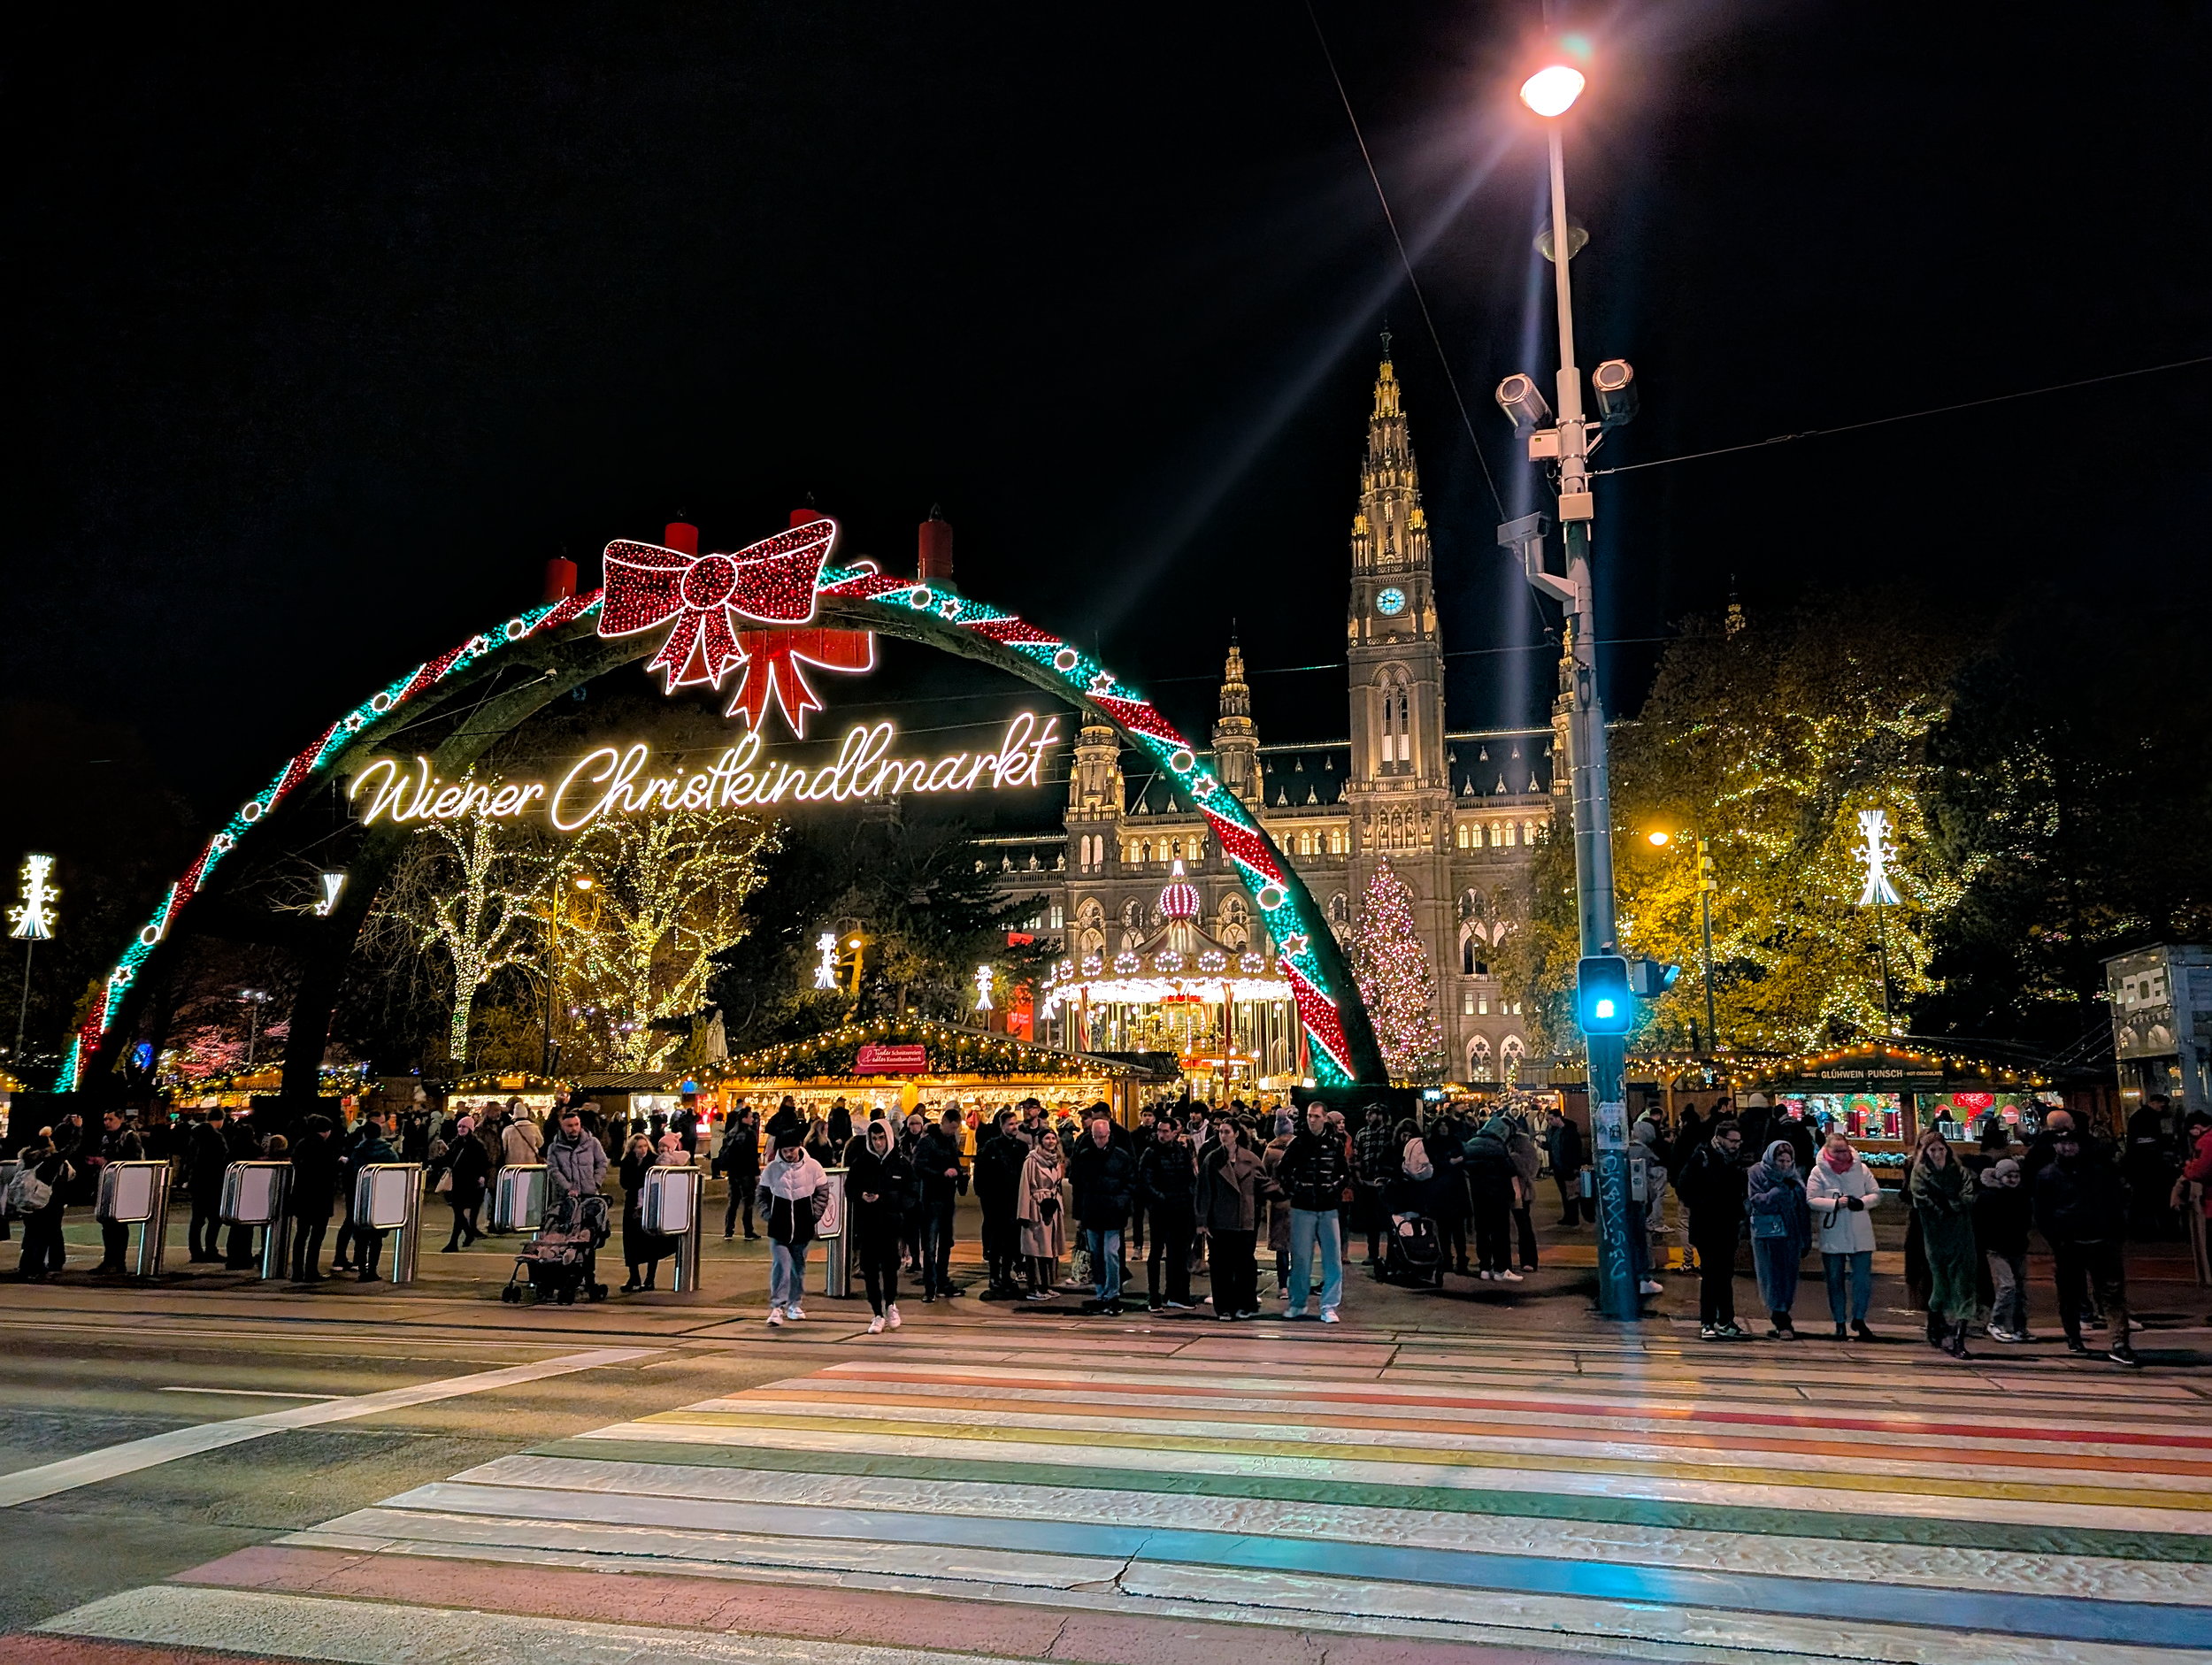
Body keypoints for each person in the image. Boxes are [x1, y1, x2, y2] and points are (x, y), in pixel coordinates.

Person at [2034, 1122, 2137, 1366]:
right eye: (2062, 1143)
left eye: (2071, 1143)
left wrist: (2116, 1232)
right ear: (2055, 1146)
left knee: (2112, 1293)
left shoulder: (2099, 1171)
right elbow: (2041, 1213)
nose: (2067, 1147)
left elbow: (2115, 1201)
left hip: (2102, 1240)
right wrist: (2056, 1240)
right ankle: (2073, 1335)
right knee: (2070, 1294)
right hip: (2069, 1243)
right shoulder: (2047, 1175)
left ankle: (2119, 1342)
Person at [1676, 1117, 1747, 1339]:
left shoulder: (1734, 1160)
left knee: (1724, 1275)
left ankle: (1725, 1320)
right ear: (1720, 1138)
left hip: (1727, 1225)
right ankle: (1708, 1321)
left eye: (1738, 1141)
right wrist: (1705, 1202)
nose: (1736, 1145)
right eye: (1733, 1140)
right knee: (1711, 1275)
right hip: (1708, 1225)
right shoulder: (1703, 1157)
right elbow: (1684, 1187)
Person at [1806, 1130, 1882, 1340]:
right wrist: (1834, 1204)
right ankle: (1839, 1321)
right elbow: (1811, 1199)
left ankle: (1859, 1318)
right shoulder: (1818, 1172)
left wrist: (1863, 1202)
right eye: (1837, 1151)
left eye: (1844, 1150)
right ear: (1828, 1151)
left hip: (1860, 1232)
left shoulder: (1862, 1169)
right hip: (1834, 1232)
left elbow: (1876, 1194)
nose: (1842, 1155)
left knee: (1862, 1280)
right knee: (1834, 1280)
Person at [1276, 1103, 1348, 1323]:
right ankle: (1299, 1303)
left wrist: (1333, 1188)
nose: (1311, 1120)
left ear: (1324, 1118)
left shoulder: (1334, 1144)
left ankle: (1328, 1305)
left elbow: (1344, 1173)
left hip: (1326, 1206)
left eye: (1315, 1116)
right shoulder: (1299, 1143)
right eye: (1309, 1116)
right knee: (1301, 1258)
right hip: (1305, 1206)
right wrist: (1298, 1188)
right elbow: (1283, 1170)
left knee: (1332, 1259)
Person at [1909, 1130, 1978, 1358]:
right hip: (1936, 1236)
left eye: (1941, 1149)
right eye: (1933, 1150)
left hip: (1961, 1235)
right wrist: (1944, 1207)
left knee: (1964, 1284)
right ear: (1926, 1153)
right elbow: (1921, 1201)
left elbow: (1969, 1196)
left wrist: (1953, 1205)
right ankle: (1934, 1320)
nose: (1938, 1153)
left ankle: (1959, 1338)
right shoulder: (1920, 1173)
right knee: (1941, 1284)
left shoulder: (1959, 1171)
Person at [1067, 1107, 1137, 1315]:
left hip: (1113, 1213)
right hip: (1093, 1211)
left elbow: (1131, 1183)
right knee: (1097, 1255)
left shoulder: (1121, 1157)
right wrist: (1078, 1214)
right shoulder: (1086, 1155)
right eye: (1096, 1137)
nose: (1099, 1141)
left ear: (1108, 1135)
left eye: (1102, 1137)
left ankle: (1113, 1293)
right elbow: (1078, 1187)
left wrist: (1121, 1203)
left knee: (1110, 1253)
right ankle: (1101, 1292)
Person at [1196, 1113, 1263, 1320]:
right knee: (1220, 1265)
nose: (1223, 1136)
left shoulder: (1250, 1159)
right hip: (1221, 1219)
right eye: (1220, 1132)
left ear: (1236, 1134)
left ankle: (1245, 1303)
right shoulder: (1213, 1159)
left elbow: (1261, 1186)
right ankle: (1224, 1306)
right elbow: (1204, 1190)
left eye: (1227, 1132)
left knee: (1244, 1264)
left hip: (1244, 1219)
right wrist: (1202, 1221)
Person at [757, 1132, 829, 1326]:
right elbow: (762, 1195)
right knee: (782, 1265)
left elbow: (823, 1192)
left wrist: (814, 1215)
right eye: (785, 1151)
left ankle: (794, 1303)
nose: (789, 1154)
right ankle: (777, 1307)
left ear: (799, 1147)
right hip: (779, 1227)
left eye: (792, 1149)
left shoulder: (813, 1167)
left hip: (802, 1226)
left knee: (798, 1267)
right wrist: (768, 1215)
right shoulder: (772, 1169)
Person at [847, 1117, 911, 1332]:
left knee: (891, 1267)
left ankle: (891, 1304)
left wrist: (886, 1199)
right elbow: (849, 1189)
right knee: (870, 1269)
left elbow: (910, 1194)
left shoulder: (900, 1163)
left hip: (891, 1224)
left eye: (881, 1138)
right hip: (868, 1224)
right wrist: (861, 1196)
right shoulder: (861, 1163)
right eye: (874, 1138)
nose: (878, 1143)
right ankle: (876, 1313)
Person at [1746, 1139, 1809, 1338]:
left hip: (1790, 1234)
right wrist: (1778, 1192)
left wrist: (1805, 1237)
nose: (1784, 1166)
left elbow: (1802, 1208)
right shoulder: (1757, 1173)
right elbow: (1757, 1202)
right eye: (1780, 1161)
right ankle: (1780, 1318)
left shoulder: (1793, 1177)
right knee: (1771, 1274)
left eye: (1787, 1162)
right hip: (1768, 1234)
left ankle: (1783, 1313)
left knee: (1788, 1276)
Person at [1136, 1110, 1196, 1311]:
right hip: (1161, 1210)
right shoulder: (1151, 1152)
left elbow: (1189, 1178)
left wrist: (1187, 1197)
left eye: (1165, 1131)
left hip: (1180, 1209)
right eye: (1159, 1131)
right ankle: (1154, 1296)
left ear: (1174, 1133)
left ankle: (1176, 1293)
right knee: (1156, 1252)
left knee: (1178, 1253)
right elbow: (1145, 1181)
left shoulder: (1181, 1151)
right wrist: (1161, 1199)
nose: (1161, 1135)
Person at [1977, 1155, 2035, 1342]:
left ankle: (2019, 1327)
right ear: (2000, 1177)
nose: (2013, 1179)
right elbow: (1982, 1223)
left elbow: (2026, 1220)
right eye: (2009, 1176)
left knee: (2020, 1289)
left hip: (2017, 1247)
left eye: (2016, 1175)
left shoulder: (2022, 1195)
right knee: (2008, 1285)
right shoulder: (1989, 1197)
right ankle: (1997, 1322)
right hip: (1997, 1248)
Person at [974, 1109, 1029, 1298]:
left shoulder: (1021, 1148)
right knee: (996, 1242)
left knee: (1012, 1242)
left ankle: (1006, 1275)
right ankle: (994, 1276)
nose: (1014, 1127)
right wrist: (985, 1198)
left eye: (1015, 1124)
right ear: (1002, 1126)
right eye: (1010, 1124)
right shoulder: (991, 1147)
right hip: (996, 1202)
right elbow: (981, 1175)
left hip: (1015, 1201)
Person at [915, 1108, 967, 1301]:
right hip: (931, 1198)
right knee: (930, 1246)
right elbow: (919, 1167)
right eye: (951, 1127)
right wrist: (942, 1173)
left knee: (945, 1243)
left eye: (955, 1128)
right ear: (943, 1122)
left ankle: (942, 1281)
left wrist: (960, 1175)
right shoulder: (927, 1142)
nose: (953, 1131)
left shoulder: (950, 1141)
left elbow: (954, 1163)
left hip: (946, 1198)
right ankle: (931, 1286)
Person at [1464, 1114, 1518, 1282]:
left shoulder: (1470, 1144)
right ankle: (1501, 1269)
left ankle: (1484, 1268)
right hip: (1498, 1194)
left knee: (1482, 1231)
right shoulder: (1497, 1146)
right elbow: (1510, 1169)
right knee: (1500, 1232)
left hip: (1478, 1193)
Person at [618, 1132, 674, 1292]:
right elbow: (625, 1183)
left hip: (649, 1203)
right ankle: (634, 1277)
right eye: (639, 1147)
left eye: (644, 1146)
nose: (642, 1150)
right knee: (630, 1241)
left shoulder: (653, 1161)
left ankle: (650, 1279)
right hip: (632, 1204)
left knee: (651, 1242)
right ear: (632, 1149)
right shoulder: (627, 1162)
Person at [90, 1109, 144, 1274]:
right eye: (105, 1119)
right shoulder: (106, 1137)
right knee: (107, 1224)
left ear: (120, 1119)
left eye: (110, 1119)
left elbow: (134, 1160)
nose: (107, 1122)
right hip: (108, 1183)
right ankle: (109, 1260)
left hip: (124, 1184)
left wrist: (108, 1161)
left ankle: (119, 1261)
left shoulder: (129, 1136)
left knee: (119, 1225)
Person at [348, 1112, 400, 1281]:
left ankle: (362, 1269)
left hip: (361, 1196)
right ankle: (373, 1270)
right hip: (381, 1196)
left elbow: (351, 1172)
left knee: (361, 1237)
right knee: (377, 1236)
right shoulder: (388, 1152)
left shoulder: (359, 1151)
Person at [1017, 1127, 1068, 1297]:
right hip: (1036, 1208)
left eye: (1053, 1138)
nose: (1051, 1141)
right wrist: (1023, 1214)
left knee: (1049, 1248)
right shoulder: (1031, 1161)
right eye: (1047, 1138)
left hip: (1051, 1207)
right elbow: (1025, 1187)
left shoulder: (1056, 1160)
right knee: (1036, 1248)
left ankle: (1046, 1285)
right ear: (1040, 1141)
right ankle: (1034, 1287)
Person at [288, 1114, 340, 1282]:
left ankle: (297, 1271)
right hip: (319, 1197)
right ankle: (311, 1270)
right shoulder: (324, 1148)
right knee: (317, 1236)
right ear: (326, 1131)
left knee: (301, 1234)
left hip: (302, 1195)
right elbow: (329, 1172)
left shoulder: (301, 1144)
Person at [436, 1114, 489, 1252]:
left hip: (470, 1182)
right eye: (459, 1126)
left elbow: (483, 1162)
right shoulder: (454, 1143)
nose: (461, 1129)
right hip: (457, 1182)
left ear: (470, 1128)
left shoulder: (476, 1145)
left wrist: (481, 1176)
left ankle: (454, 1242)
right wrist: (443, 1153)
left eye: (464, 1126)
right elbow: (449, 1161)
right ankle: (468, 1234)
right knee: (458, 1212)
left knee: (459, 1212)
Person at [220, 1112, 267, 1269]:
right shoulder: (254, 1148)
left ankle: (234, 1258)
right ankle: (244, 1257)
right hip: (250, 1191)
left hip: (235, 1189)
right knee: (247, 1228)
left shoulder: (232, 1148)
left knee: (236, 1227)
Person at [185, 1109, 232, 1263]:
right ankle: (211, 1249)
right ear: (220, 1120)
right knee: (214, 1219)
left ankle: (196, 1252)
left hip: (197, 1181)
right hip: (212, 1182)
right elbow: (223, 1158)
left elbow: (190, 1158)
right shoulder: (216, 1137)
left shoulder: (194, 1136)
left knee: (197, 1219)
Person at [1504, 1112, 1541, 1272]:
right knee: (1504, 1227)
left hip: (1520, 1190)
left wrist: (1513, 1159)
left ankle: (1529, 1260)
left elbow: (1530, 1168)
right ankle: (1504, 1262)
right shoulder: (1498, 1144)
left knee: (1523, 1225)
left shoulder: (1521, 1143)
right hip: (1503, 1190)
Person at [718, 1107, 762, 1239]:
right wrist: (756, 1172)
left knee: (733, 1201)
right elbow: (752, 1155)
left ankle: (728, 1230)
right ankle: (748, 1230)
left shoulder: (731, 1133)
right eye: (750, 1117)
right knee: (748, 1201)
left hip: (733, 1171)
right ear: (744, 1119)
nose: (753, 1120)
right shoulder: (750, 1134)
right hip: (746, 1171)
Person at [1544, 1108, 1586, 1228]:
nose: (1549, 1122)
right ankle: (1568, 1216)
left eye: (1551, 1119)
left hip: (1568, 1166)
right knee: (1564, 1193)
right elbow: (1552, 1146)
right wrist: (1543, 1146)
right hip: (1558, 1167)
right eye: (1548, 1120)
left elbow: (1576, 1150)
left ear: (1558, 1118)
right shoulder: (1554, 1131)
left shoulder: (1570, 1132)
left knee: (1571, 1193)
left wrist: (1575, 1166)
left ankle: (1573, 1217)